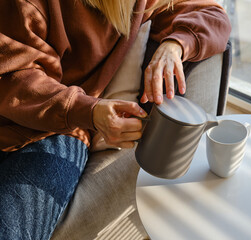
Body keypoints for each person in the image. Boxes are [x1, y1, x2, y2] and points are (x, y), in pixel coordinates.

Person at [0, 0, 231, 239]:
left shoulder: (139, 3)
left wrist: (176, 44)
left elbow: (213, 15)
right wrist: (88, 110)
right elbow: (13, 76)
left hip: (60, 132)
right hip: (30, 119)